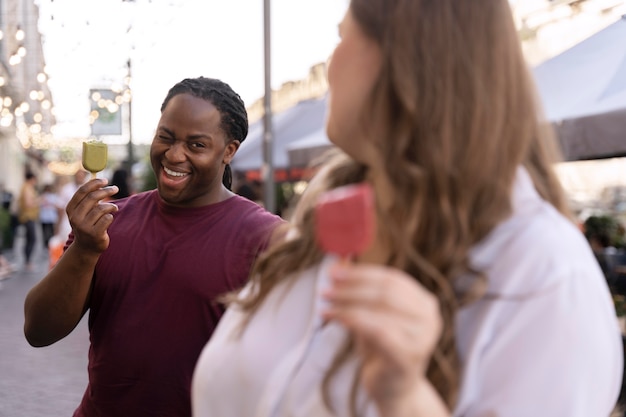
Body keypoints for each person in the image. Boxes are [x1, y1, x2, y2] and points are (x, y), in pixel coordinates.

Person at [191, 1, 623, 416]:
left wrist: (405, 398)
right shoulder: (329, 213)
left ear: (403, 61)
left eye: (344, 38)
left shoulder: (545, 273)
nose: (332, 62)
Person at [23, 76, 284, 416]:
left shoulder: (267, 238)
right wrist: (85, 250)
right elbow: (38, 330)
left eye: (196, 145)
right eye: (166, 137)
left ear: (229, 151)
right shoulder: (107, 220)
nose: (174, 155)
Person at [17, 172, 40, 272]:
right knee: (32, 239)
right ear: (32, 179)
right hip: (28, 217)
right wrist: (39, 201)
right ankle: (28, 262)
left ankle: (27, 261)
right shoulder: (27, 188)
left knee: (30, 239)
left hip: (29, 217)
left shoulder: (27, 188)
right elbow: (28, 204)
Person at [39, 183, 61, 251]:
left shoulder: (46, 197)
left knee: (47, 232)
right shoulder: (48, 197)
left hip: (47, 217)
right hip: (48, 217)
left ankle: (47, 244)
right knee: (48, 232)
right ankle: (48, 244)